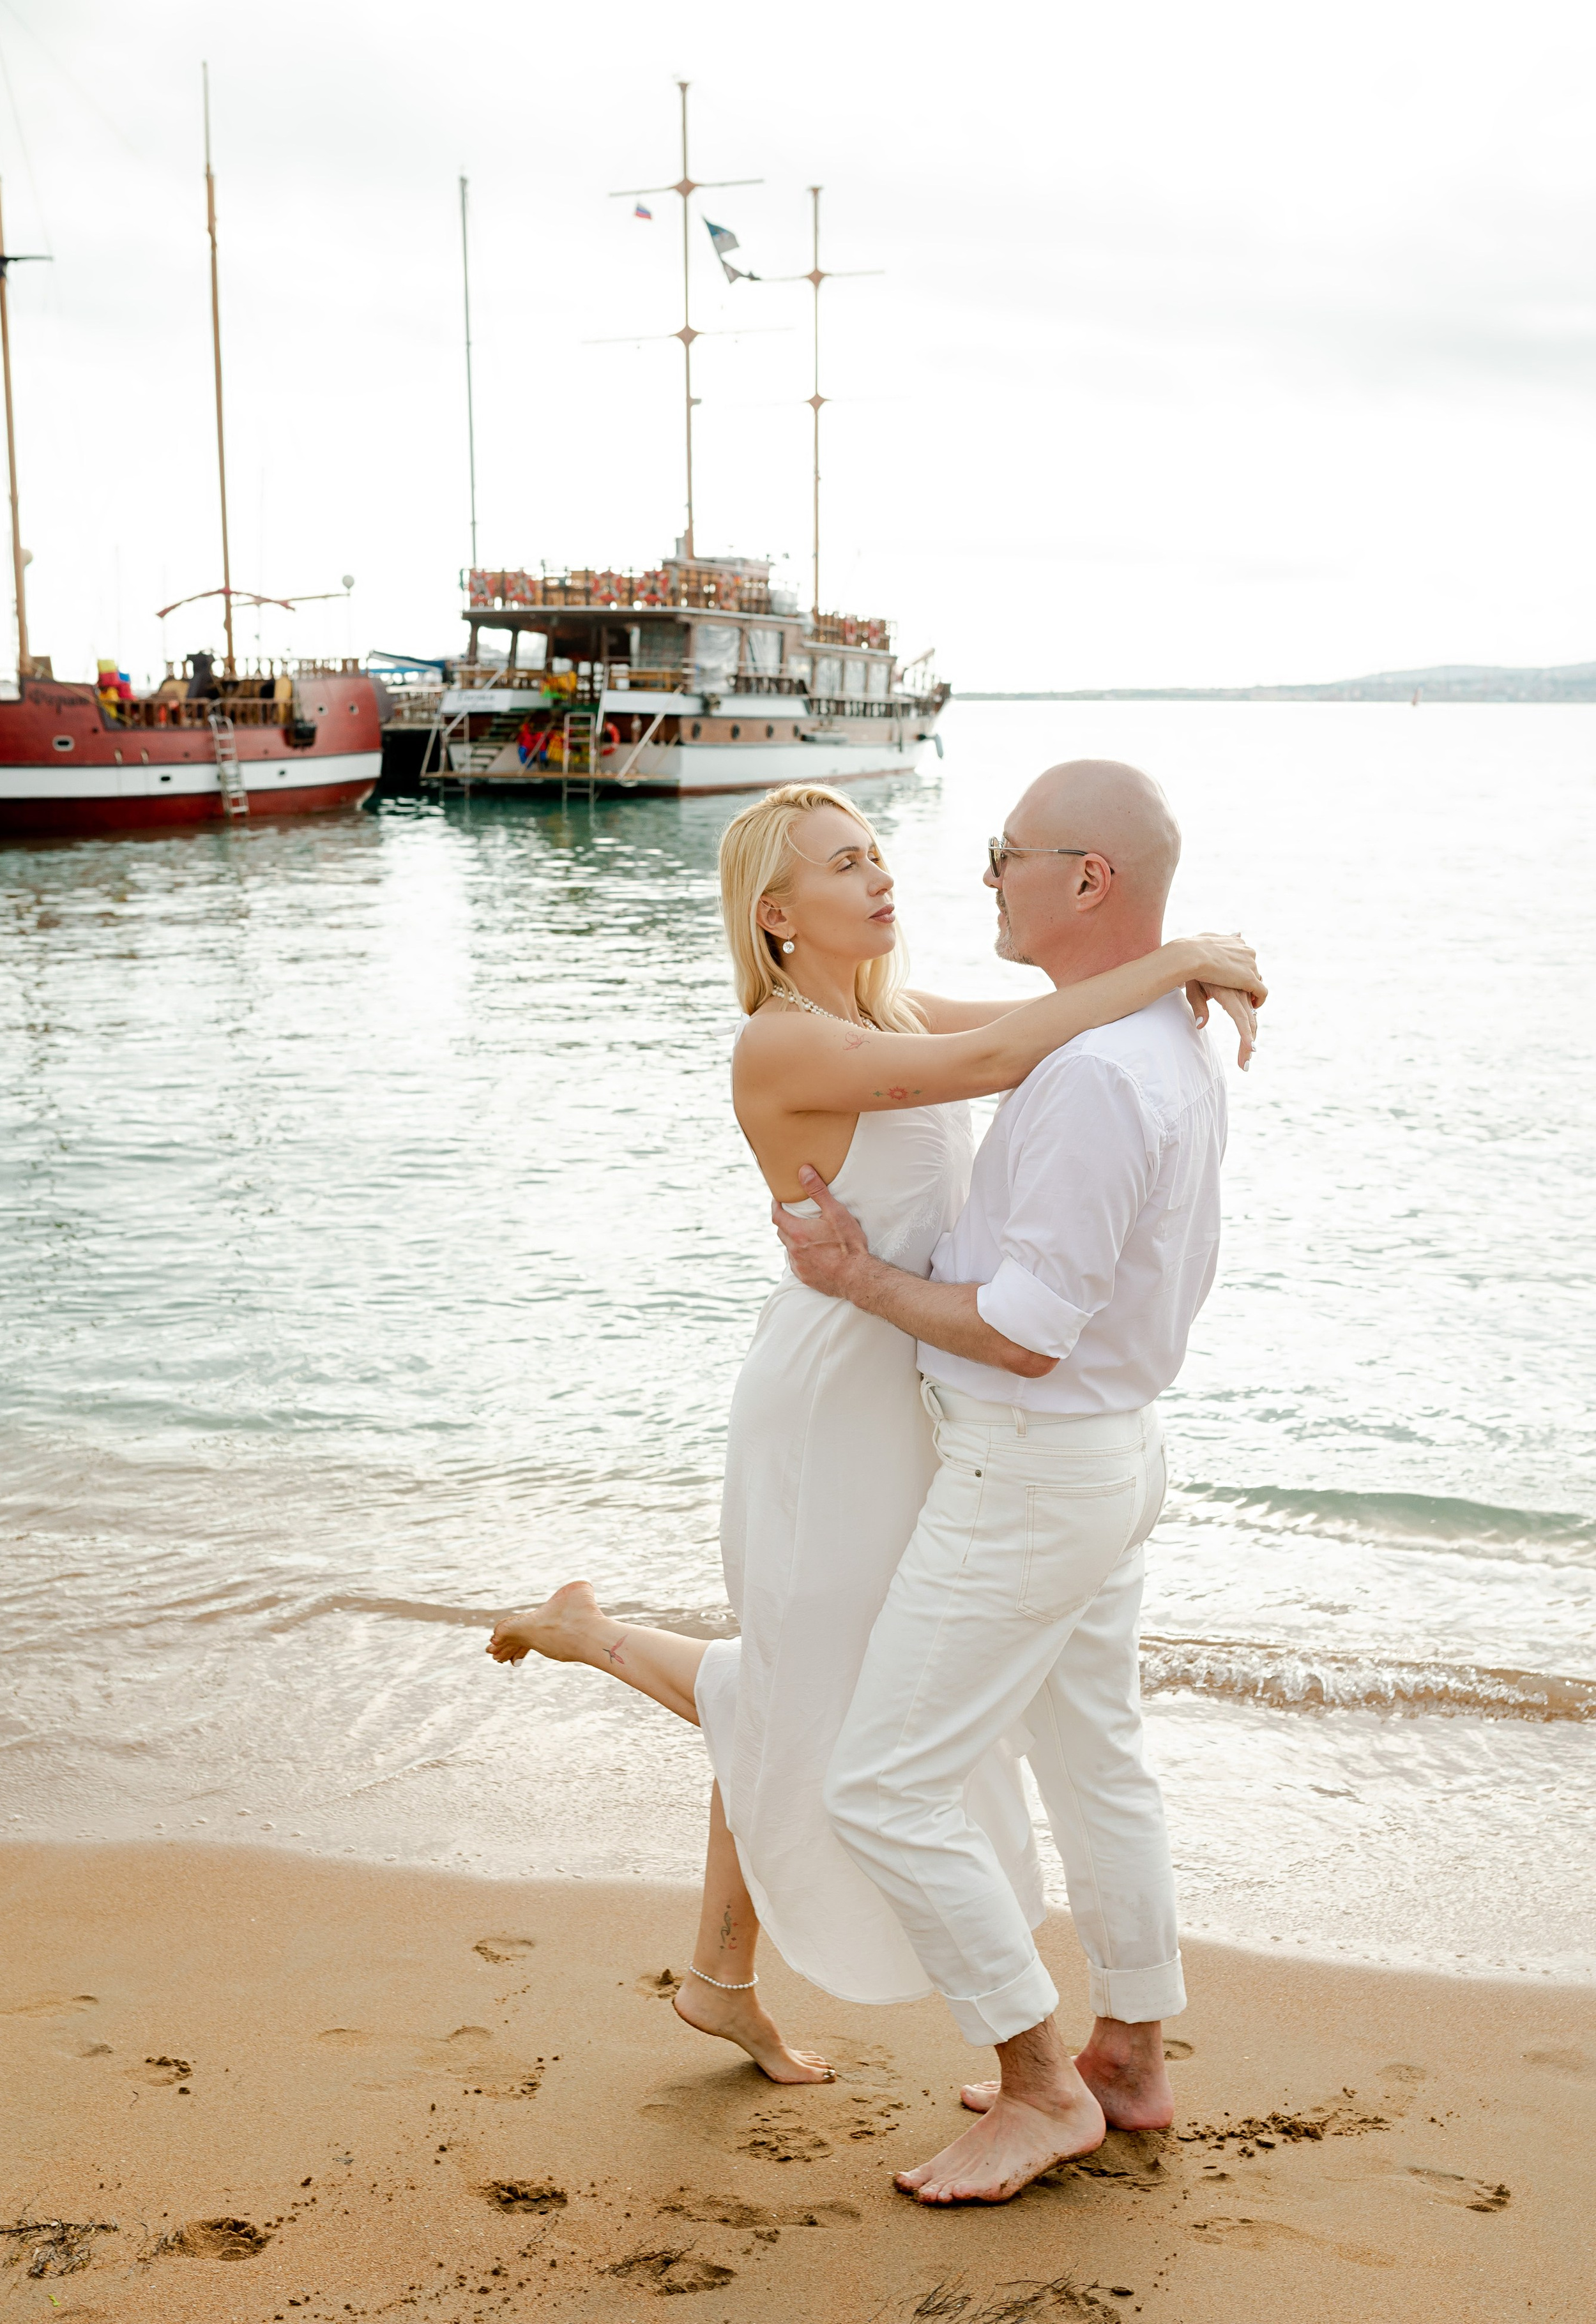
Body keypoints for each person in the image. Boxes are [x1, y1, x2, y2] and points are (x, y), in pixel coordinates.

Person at [486, 778, 1262, 2102]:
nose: (881, 878)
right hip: (830, 1400)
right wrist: (1177, 956)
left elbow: (1033, 1024)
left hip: (919, 1385)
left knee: (819, 1688)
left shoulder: (883, 1010)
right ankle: (591, 1642)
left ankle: (718, 1974)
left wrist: (1150, 986)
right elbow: (998, 1063)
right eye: (843, 867)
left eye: (876, 852)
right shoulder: (778, 1046)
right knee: (808, 1691)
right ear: (777, 916)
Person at [768, 759, 1235, 2203]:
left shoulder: (1093, 1071)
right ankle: (1129, 2056)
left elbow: (1023, 1338)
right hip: (1102, 1459)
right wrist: (1180, 955)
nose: (978, 874)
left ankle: (1040, 2089)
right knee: (1096, 1762)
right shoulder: (1147, 1033)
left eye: (1004, 853)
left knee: (883, 1786)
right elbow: (979, 1054)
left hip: (1031, 1466)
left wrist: (857, 1276)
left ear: (1083, 879)